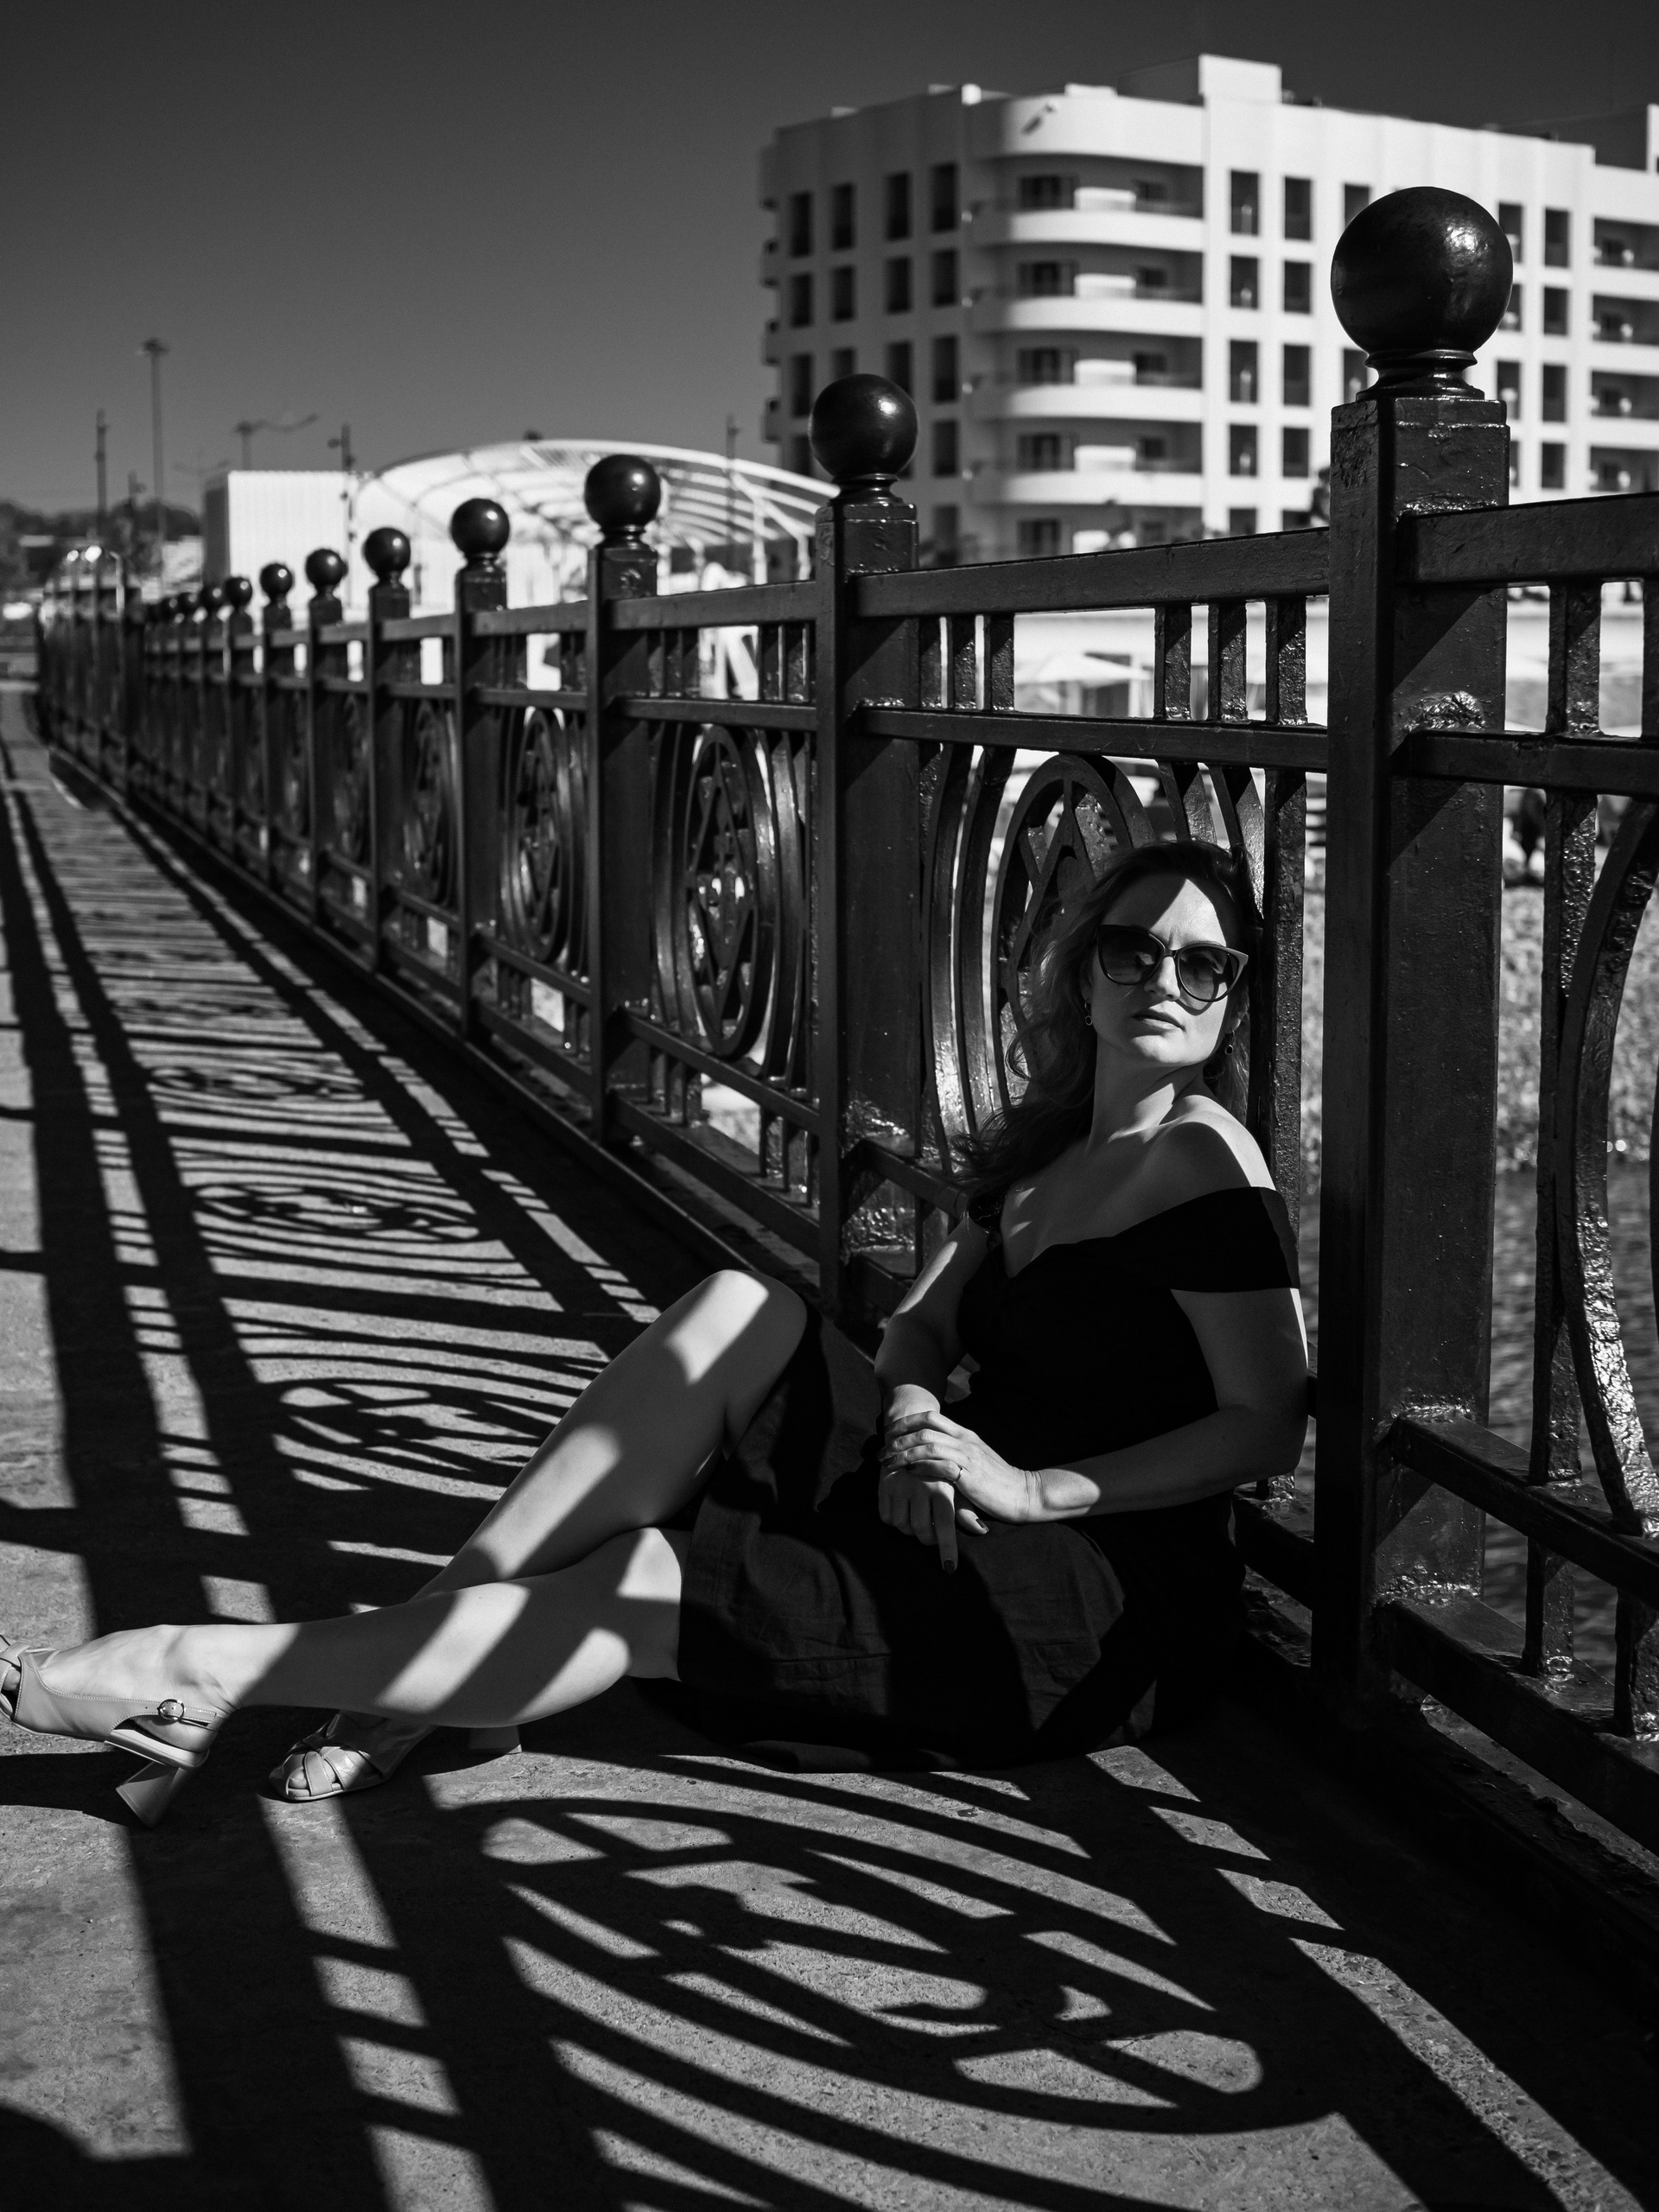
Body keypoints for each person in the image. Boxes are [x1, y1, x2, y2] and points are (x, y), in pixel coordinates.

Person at [1, 840, 1308, 1822]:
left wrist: (1031, 1489)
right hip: (952, 1488)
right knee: (744, 1305)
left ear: (1234, 1000)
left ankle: (193, 1668)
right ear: (1084, 973)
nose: (1166, 981)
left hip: (1082, 1585)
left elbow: (1267, 1424)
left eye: (1204, 965)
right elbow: (916, 1330)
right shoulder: (1050, 1149)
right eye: (1135, 951)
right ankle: (411, 1681)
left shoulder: (1206, 1161)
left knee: (637, 1581)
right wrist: (917, 1418)